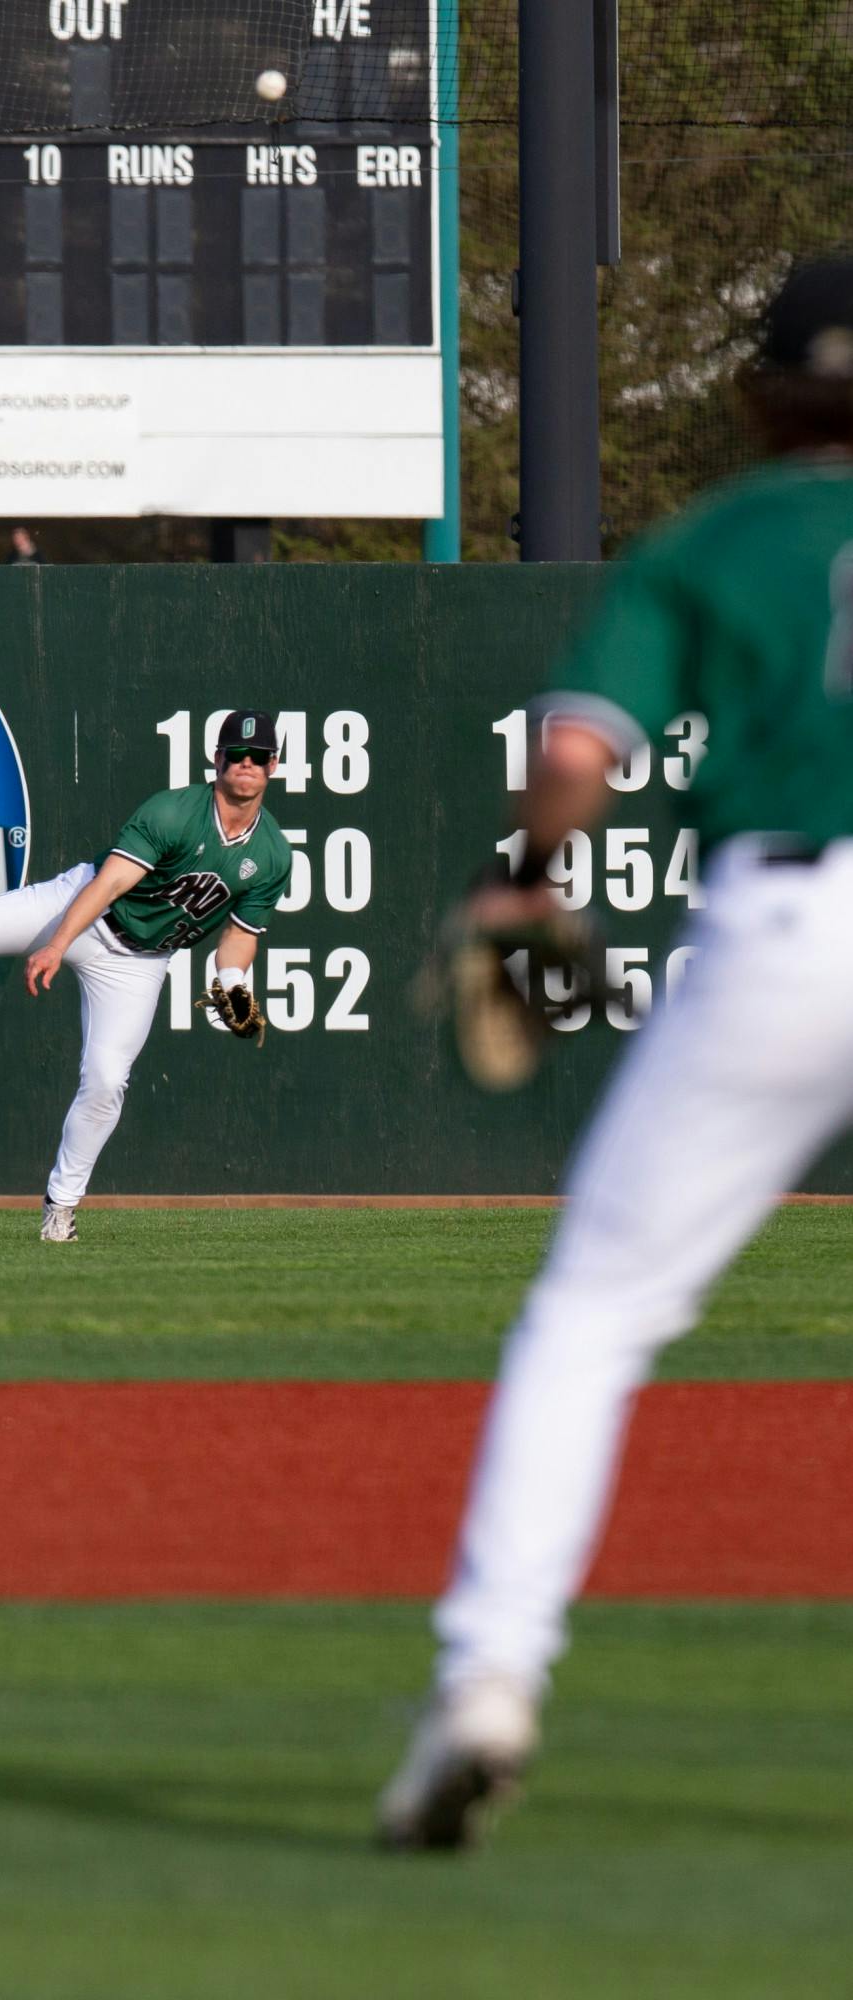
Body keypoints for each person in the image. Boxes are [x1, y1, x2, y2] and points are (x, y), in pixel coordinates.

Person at [379, 257, 853, 1848]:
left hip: (783, 931)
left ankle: (486, 1683)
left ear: (761, 398)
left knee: (588, 1318)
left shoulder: (708, 540)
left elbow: (576, 752)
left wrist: (522, 874)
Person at [0, 709, 293, 1240]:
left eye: (258, 756)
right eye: (237, 754)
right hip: (83, 910)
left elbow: (239, 936)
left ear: (273, 765)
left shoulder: (273, 854)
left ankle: (61, 1209)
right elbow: (109, 885)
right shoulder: (173, 812)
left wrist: (233, 983)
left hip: (140, 962)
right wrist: (57, 942)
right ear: (217, 760)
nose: (246, 764)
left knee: (107, 1081)